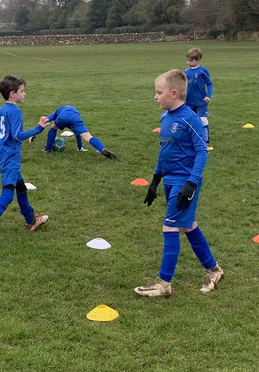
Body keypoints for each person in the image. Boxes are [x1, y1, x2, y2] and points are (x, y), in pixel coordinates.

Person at [135, 70, 224, 298]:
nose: (155, 97)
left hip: (185, 183)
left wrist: (192, 184)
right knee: (188, 225)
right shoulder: (165, 118)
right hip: (170, 180)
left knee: (170, 226)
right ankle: (214, 269)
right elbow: (165, 151)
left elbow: (202, 151)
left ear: (173, 93)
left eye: (158, 92)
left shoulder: (190, 119)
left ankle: (164, 283)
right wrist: (155, 179)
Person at [0, 75, 51, 250]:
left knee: (21, 188)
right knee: (8, 194)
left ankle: (31, 220)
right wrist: (38, 128)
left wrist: (3, 133)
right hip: (10, 158)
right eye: (22, 91)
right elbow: (17, 136)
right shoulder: (15, 111)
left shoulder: (1, 110)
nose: (25, 94)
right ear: (13, 93)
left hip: (1, 156)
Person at [42, 105, 117, 159]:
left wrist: (36, 131)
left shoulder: (57, 111)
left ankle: (48, 150)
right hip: (75, 118)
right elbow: (77, 135)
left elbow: (46, 120)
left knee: (53, 128)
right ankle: (102, 149)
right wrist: (80, 147)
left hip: (62, 117)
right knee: (88, 137)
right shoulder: (73, 110)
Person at [184, 47, 214, 144]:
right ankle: (191, 139)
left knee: (203, 120)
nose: (188, 62)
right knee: (190, 120)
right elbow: (183, 85)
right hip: (189, 101)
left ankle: (206, 141)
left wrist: (208, 96)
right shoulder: (186, 72)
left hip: (201, 101)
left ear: (198, 60)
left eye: (191, 60)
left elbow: (209, 84)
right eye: (188, 60)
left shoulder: (203, 71)